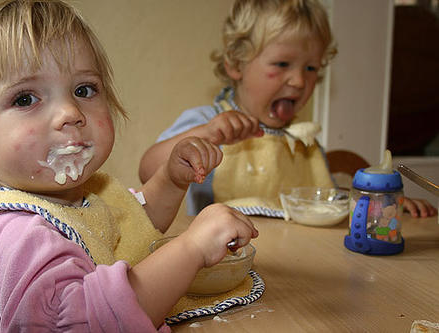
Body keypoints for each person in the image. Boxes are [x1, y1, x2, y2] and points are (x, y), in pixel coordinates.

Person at [0, 1, 258, 331]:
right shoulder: (17, 234)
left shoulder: (79, 197)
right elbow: (87, 322)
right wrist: (191, 249)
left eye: (83, 89)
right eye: (25, 99)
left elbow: (129, 228)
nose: (70, 112)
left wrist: (171, 181)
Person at [139, 0, 437, 218]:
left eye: (311, 68)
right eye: (282, 64)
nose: (298, 81)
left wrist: (377, 208)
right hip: (225, 264)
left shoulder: (303, 145)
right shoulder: (207, 122)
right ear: (236, 64)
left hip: (299, 271)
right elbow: (148, 169)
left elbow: (325, 203)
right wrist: (207, 134)